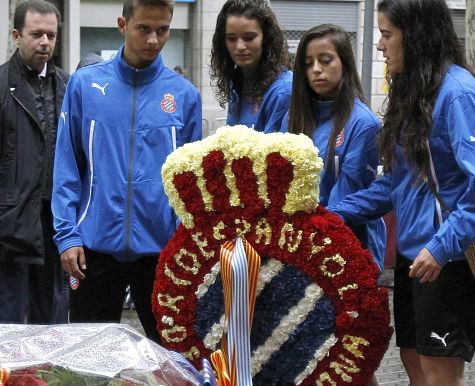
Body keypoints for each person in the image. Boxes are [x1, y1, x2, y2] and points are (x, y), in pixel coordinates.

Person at [327, 0, 475, 386]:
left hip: (446, 259)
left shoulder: (458, 93)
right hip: (414, 256)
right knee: (416, 365)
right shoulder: (415, 92)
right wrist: (332, 214)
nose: (380, 43)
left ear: (417, 32)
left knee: (442, 372)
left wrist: (442, 247)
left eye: (386, 33)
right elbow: (399, 186)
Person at [52, 0, 202, 342]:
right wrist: (67, 235)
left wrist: (186, 244)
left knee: (169, 362)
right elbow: (66, 165)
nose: (153, 40)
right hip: (93, 250)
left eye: (162, 30)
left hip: (162, 254)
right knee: (89, 361)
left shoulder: (184, 96)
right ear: (123, 24)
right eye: (143, 29)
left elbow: (192, 184)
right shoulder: (85, 85)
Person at [284, 24, 384, 386]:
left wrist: (326, 217)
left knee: (355, 362)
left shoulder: (362, 122)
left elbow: (378, 192)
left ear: (345, 63)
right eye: (308, 63)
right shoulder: (297, 118)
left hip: (350, 257)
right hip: (301, 256)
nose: (316, 70)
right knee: (296, 355)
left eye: (326, 60)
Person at [0, 0, 69, 325]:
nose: (45, 42)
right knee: (9, 320)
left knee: (51, 320)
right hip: (10, 224)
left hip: (54, 221)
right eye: (36, 34)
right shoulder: (1, 86)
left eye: (51, 36)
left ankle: (45, 377)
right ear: (16, 35)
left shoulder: (69, 87)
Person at [210, 0, 291, 132]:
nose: (240, 46)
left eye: (249, 37)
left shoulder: (283, 90)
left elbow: (276, 152)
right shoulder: (236, 84)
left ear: (266, 38)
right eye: (231, 38)